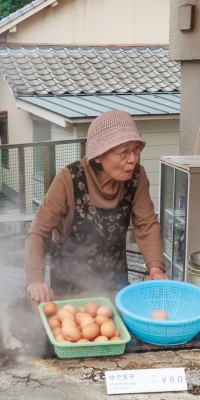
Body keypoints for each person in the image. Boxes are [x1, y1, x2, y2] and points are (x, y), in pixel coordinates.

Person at [25, 110, 168, 303]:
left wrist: (156, 269)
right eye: (124, 152)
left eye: (135, 150)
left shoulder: (137, 177)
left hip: (115, 285)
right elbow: (38, 231)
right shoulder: (69, 179)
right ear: (99, 156)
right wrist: (35, 280)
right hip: (69, 290)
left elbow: (147, 223)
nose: (133, 159)